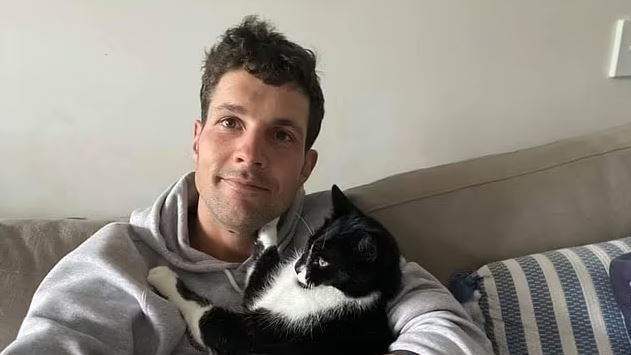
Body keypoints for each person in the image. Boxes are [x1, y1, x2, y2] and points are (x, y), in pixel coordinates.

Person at [2, 16, 492, 355]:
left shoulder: (340, 237)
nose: (250, 154)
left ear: (306, 165)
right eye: (230, 123)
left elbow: (450, 332)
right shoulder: (115, 260)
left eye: (280, 135)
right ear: (198, 140)